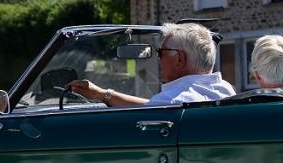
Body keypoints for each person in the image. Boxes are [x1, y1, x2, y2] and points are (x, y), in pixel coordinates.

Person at [65, 21, 235, 106]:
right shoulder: (225, 90)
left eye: (162, 52)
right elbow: (150, 106)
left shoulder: (174, 101)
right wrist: (102, 94)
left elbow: (158, 106)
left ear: (180, 59)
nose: (159, 58)